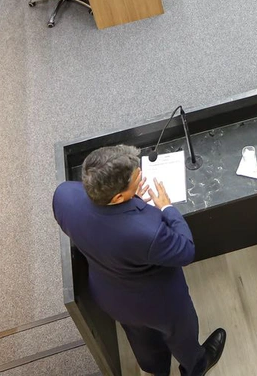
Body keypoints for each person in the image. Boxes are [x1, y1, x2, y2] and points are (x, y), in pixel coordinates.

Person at [52, 145, 227, 376]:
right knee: (181, 336)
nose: (141, 176)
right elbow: (185, 250)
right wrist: (166, 207)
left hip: (111, 297)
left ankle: (157, 370)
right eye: (138, 177)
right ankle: (196, 366)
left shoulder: (64, 195)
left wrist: (127, 202)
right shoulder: (149, 230)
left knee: (141, 339)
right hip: (161, 305)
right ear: (118, 196)